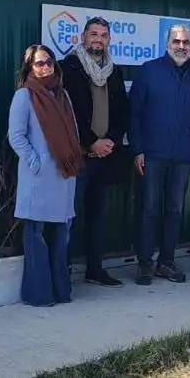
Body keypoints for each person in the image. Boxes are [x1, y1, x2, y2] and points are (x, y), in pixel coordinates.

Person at [129, 24, 190, 285]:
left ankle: (166, 262)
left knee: (174, 210)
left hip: (184, 156)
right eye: (176, 41)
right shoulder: (149, 70)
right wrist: (138, 149)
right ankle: (144, 262)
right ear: (167, 44)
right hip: (152, 154)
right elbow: (135, 113)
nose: (181, 46)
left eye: (186, 42)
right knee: (150, 208)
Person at [8, 44, 83, 307]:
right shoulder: (24, 96)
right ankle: (39, 294)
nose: (46, 66)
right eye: (39, 63)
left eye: (49, 61)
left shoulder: (63, 95)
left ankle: (61, 291)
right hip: (38, 177)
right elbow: (16, 136)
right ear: (30, 67)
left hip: (63, 175)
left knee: (61, 234)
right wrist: (34, 162)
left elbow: (73, 131)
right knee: (36, 234)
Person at [60, 16, 130, 288]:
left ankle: (95, 269)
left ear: (109, 40)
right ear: (82, 37)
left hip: (106, 158)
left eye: (103, 35)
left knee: (98, 217)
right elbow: (68, 114)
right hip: (78, 156)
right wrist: (91, 143)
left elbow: (122, 111)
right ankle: (62, 271)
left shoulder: (114, 71)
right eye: (93, 33)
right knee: (69, 217)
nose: (98, 39)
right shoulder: (68, 68)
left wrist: (110, 141)